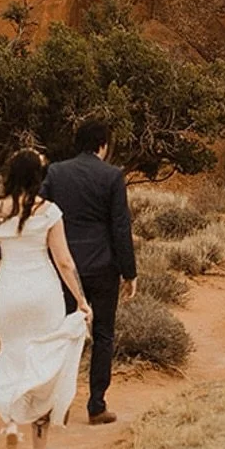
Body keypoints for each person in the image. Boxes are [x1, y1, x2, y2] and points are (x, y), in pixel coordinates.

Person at [0, 148, 91, 449]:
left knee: (13, 355)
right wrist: (81, 300)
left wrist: (4, 269)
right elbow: (65, 262)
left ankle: (12, 421)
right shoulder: (49, 211)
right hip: (42, 292)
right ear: (38, 177)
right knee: (44, 366)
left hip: (8, 294)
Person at [41, 117, 136, 425]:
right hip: (104, 265)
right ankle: (96, 405)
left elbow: (41, 213)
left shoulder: (56, 172)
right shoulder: (112, 176)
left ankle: (59, 403)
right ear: (102, 145)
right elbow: (121, 227)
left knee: (63, 334)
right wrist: (129, 271)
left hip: (64, 266)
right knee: (104, 334)